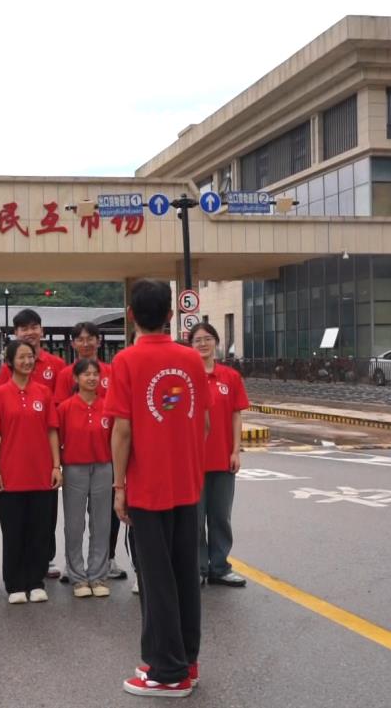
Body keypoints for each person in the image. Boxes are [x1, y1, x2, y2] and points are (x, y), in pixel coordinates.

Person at [108, 279, 210, 697]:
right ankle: (186, 660)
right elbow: (204, 422)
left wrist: (119, 486)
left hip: (148, 488)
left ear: (131, 315)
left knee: (156, 579)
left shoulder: (126, 361)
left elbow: (123, 431)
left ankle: (167, 673)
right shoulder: (191, 360)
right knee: (185, 573)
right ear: (170, 315)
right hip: (187, 484)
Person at [0, 340, 61, 605]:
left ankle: (36, 581)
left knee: (39, 531)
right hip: (11, 473)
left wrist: (56, 465)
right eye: (21, 357)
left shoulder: (43, 392)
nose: (27, 361)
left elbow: (52, 430)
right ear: (9, 361)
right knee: (13, 531)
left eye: (30, 357)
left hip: (41, 473)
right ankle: (15, 583)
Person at [52, 321, 127, 582]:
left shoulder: (112, 372)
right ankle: (74, 568)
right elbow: (58, 422)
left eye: (90, 338)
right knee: (74, 520)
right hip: (76, 460)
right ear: (73, 343)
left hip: (105, 460)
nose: (85, 343)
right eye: (80, 339)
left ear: (99, 341)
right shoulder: (65, 376)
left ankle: (105, 563)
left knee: (104, 518)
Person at [0, 309, 65, 579]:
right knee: (18, 516)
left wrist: (57, 460)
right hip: (17, 449)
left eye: (34, 327)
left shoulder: (56, 365)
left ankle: (45, 559)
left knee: (45, 511)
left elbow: (56, 410)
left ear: (42, 331)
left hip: (47, 444)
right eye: (24, 328)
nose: (30, 332)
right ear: (16, 333)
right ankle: (22, 567)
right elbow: (2, 410)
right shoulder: (6, 371)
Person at [191, 323, 249, 588]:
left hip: (223, 459)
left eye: (207, 339)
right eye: (197, 340)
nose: (203, 344)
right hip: (193, 461)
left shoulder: (230, 377)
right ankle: (198, 567)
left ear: (216, 342)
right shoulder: (187, 377)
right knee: (195, 518)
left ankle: (220, 566)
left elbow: (236, 415)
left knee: (220, 516)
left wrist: (235, 450)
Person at [57, 358, 113, 598]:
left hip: (104, 467)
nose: (91, 378)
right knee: (74, 524)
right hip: (74, 469)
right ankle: (78, 577)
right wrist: (57, 467)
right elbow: (56, 440)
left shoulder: (108, 406)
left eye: (95, 374)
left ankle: (98, 575)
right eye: (86, 374)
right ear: (76, 378)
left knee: (101, 523)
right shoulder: (65, 408)